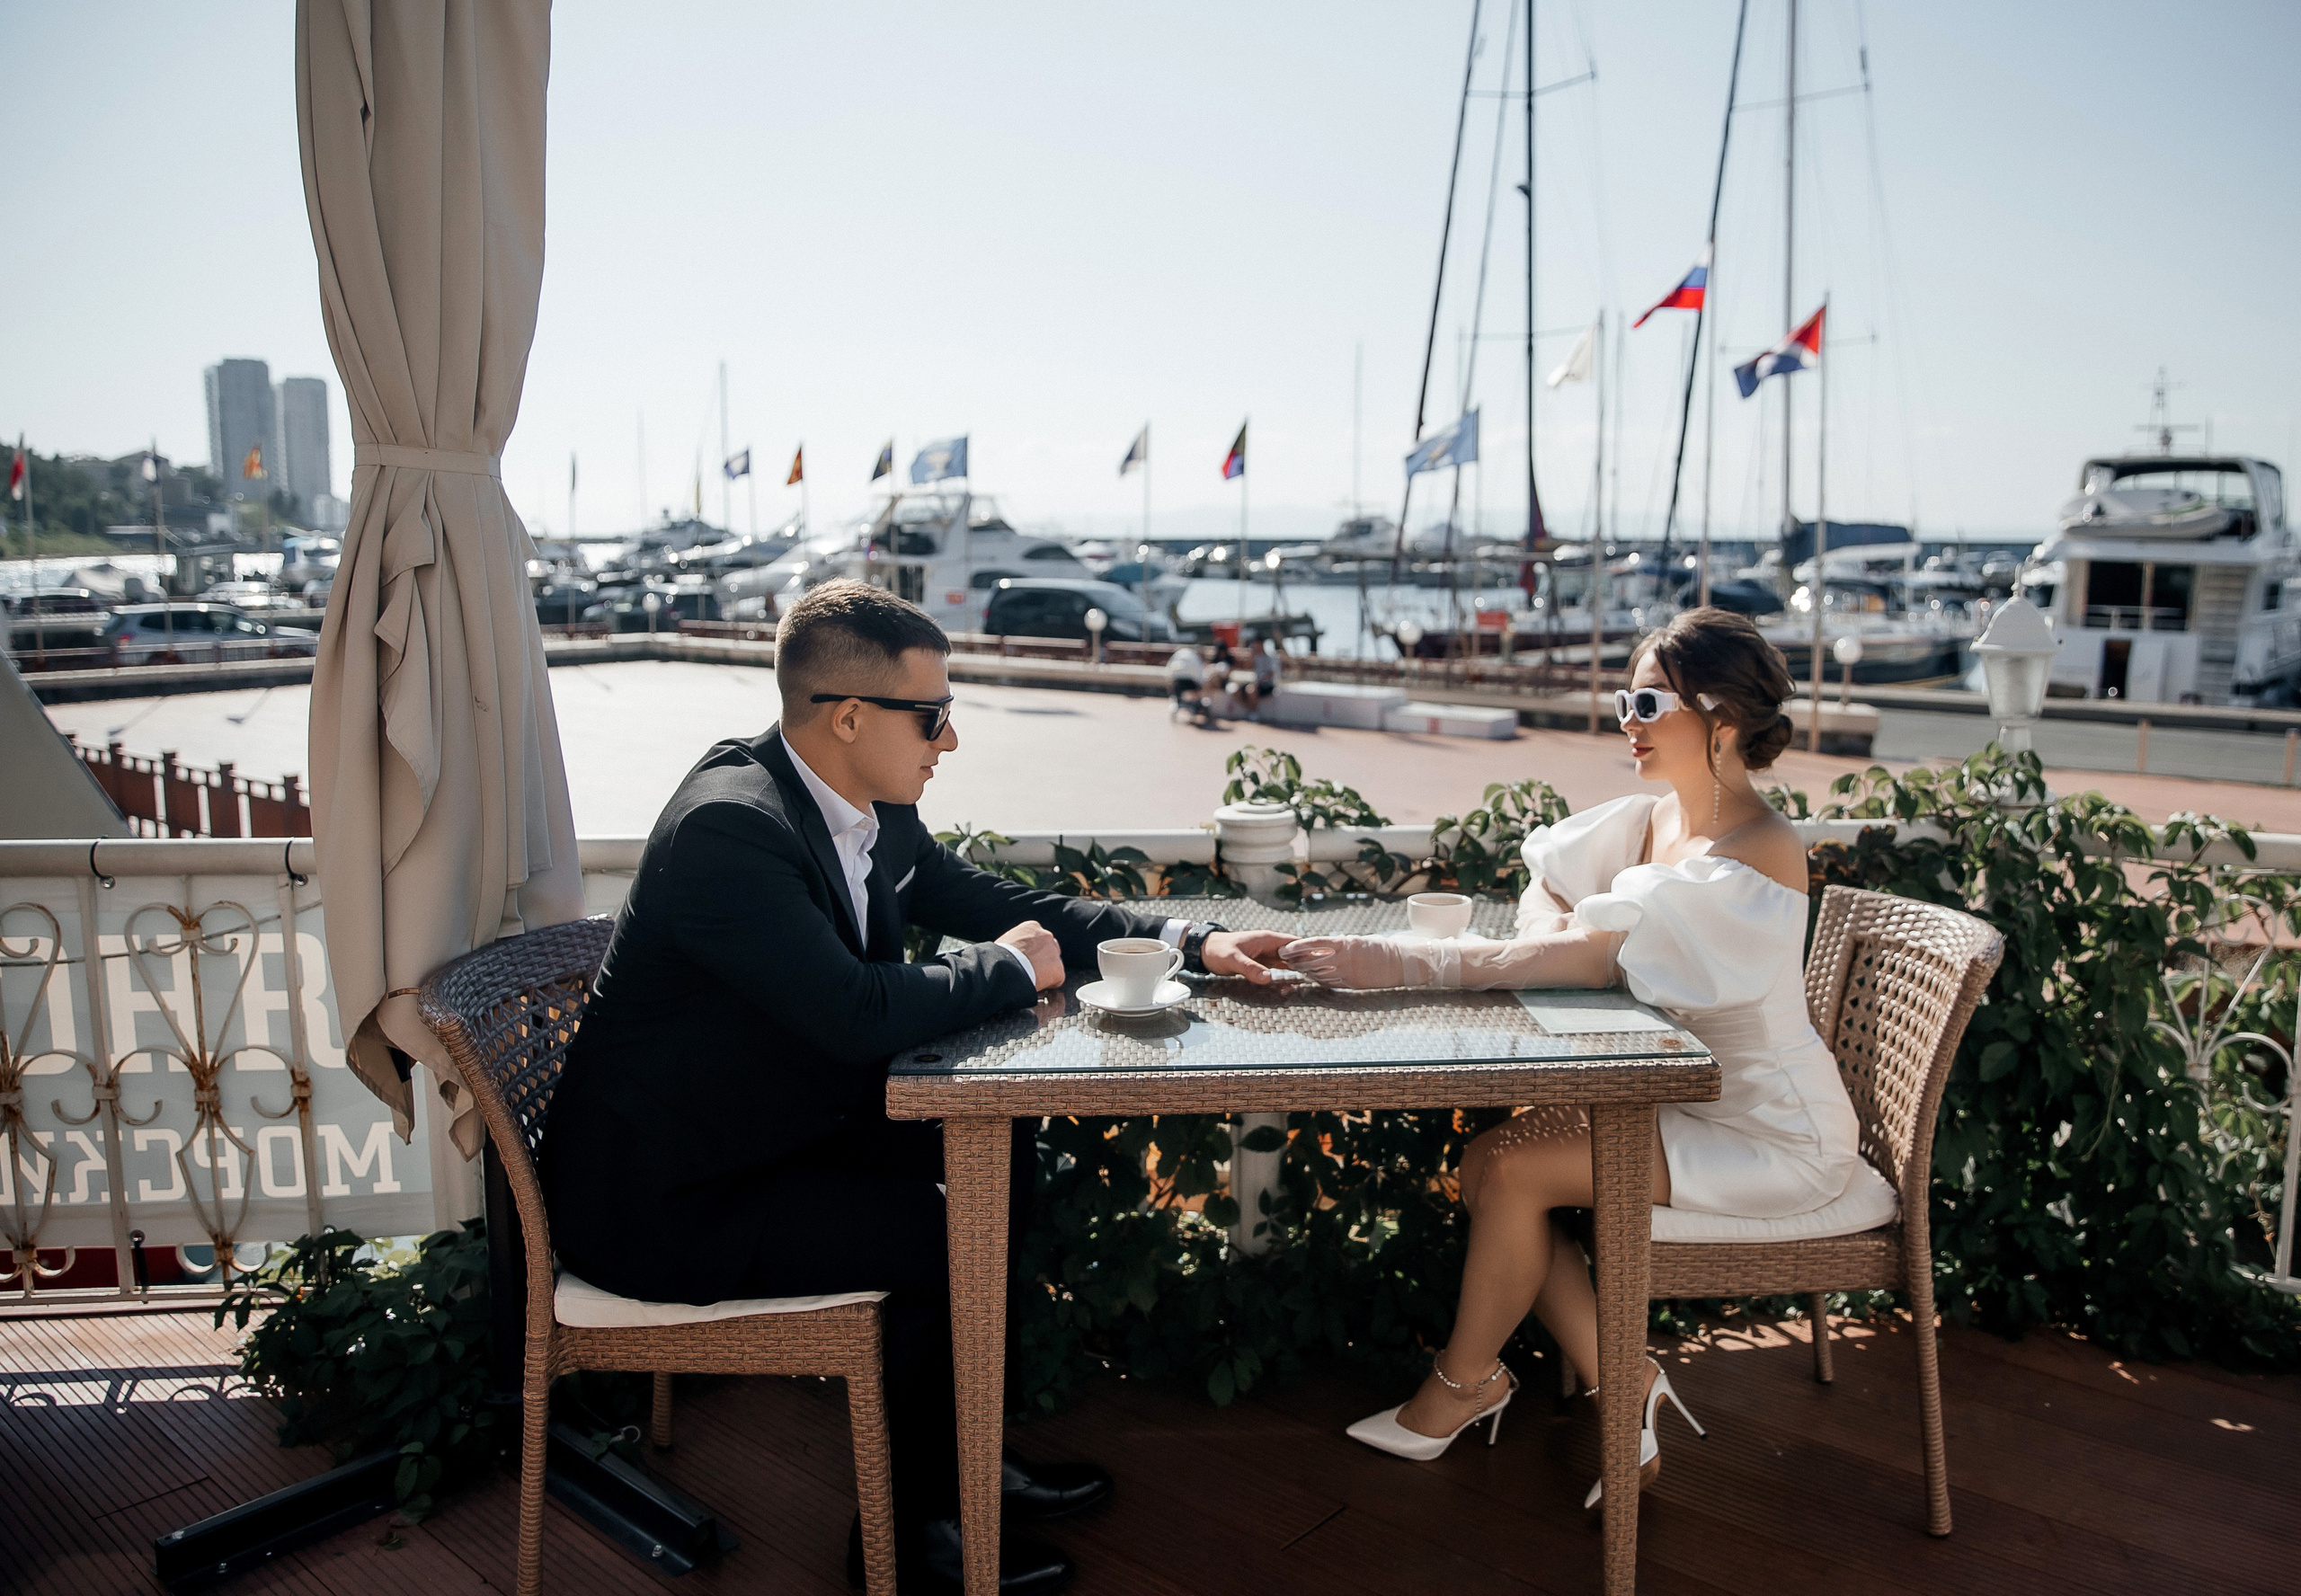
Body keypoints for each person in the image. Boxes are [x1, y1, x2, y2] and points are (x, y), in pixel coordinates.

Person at [543, 581, 1291, 1593]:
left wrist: (1190, 938)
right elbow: (851, 1012)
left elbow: (990, 902)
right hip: (669, 1199)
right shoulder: (731, 829)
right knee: (944, 1234)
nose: (950, 740)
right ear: (849, 717)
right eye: (933, 715)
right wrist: (1009, 969)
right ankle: (912, 1543)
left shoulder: (867, 808)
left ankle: (967, 1457)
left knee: (1004, 1151)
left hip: (769, 1129)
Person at [1279, 607, 1861, 1509]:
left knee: (1509, 1170)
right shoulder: (1649, 822)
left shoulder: (1757, 851)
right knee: (1490, 1162)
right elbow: (1548, 882)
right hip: (1681, 1102)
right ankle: (1622, 1381)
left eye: (1644, 701)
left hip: (1769, 1132)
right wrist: (1563, 931)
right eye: (1622, 697)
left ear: (1725, 719)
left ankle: (1466, 1385)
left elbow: (1592, 956)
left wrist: (1392, 961)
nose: (1624, 719)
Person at [1166, 642, 1206, 719]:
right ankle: (1195, 707)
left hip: (1178, 687)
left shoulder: (1178, 655)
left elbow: (1168, 672)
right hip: (1191, 686)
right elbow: (1200, 676)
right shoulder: (1194, 657)